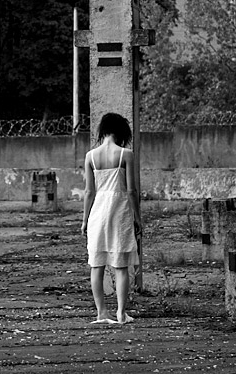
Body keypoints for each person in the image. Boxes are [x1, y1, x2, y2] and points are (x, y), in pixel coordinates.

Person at [81, 112, 142, 324]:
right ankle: (121, 313)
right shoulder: (126, 154)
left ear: (103, 130)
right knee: (120, 265)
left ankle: (101, 313)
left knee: (96, 265)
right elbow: (132, 190)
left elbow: (89, 192)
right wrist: (138, 217)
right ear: (121, 131)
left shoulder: (91, 156)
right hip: (120, 211)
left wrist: (84, 220)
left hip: (98, 212)